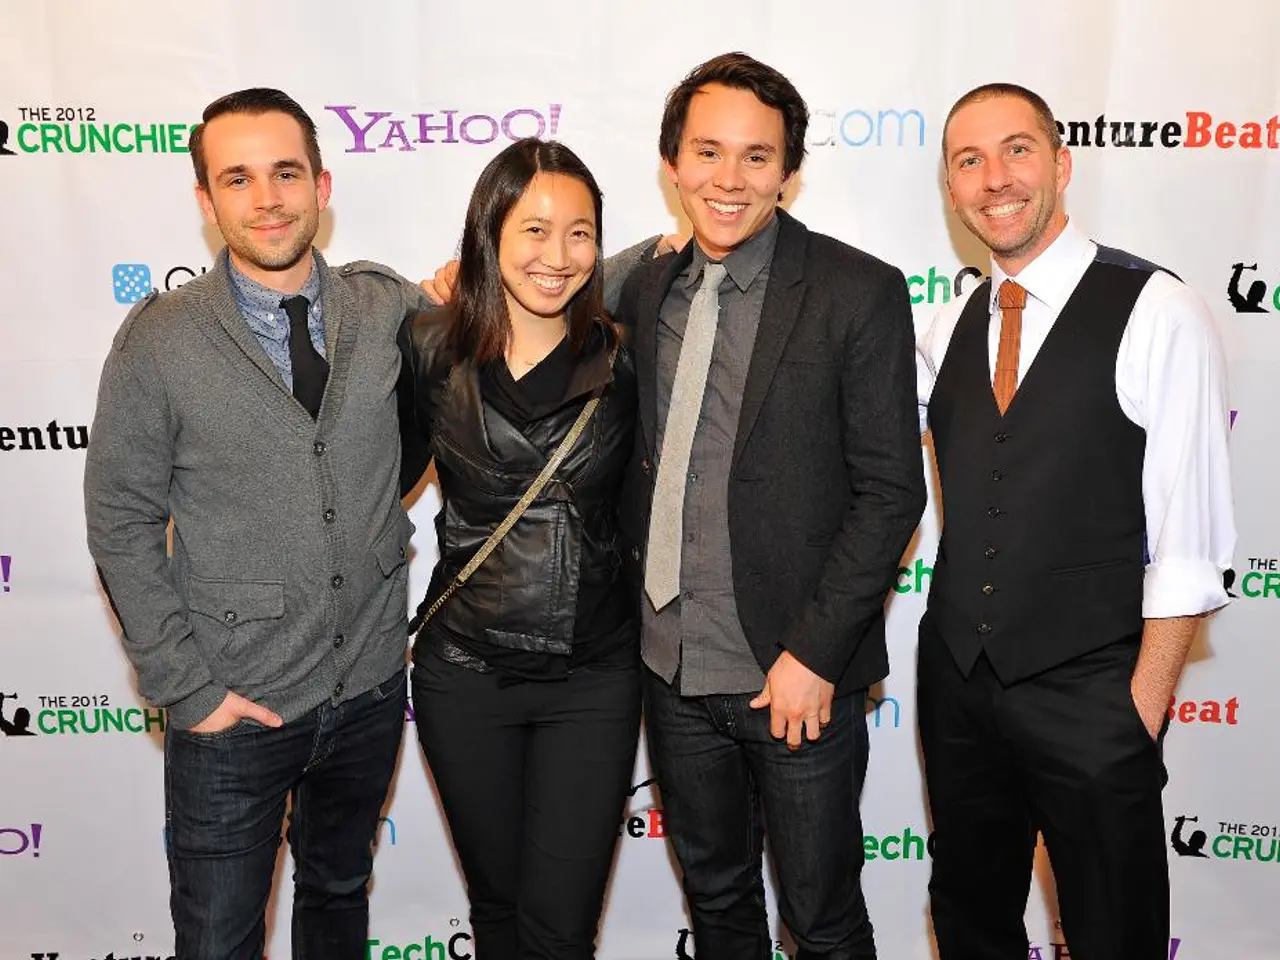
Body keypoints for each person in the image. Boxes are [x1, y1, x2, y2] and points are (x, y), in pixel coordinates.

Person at [423, 54, 924, 960]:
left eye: (756, 156)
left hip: (793, 675)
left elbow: (893, 492)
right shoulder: (643, 288)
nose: (729, 179)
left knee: (822, 921)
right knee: (719, 903)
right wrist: (459, 278)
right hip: (668, 669)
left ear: (788, 169)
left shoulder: (858, 291)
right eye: (708, 152)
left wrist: (817, 653)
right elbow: (534, 278)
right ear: (673, 164)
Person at [84, 88, 429, 960]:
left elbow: (515, 303)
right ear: (207, 201)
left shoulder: (385, 307)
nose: (267, 199)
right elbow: (120, 517)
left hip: (369, 689)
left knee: (338, 899)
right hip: (233, 707)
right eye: (238, 179)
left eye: (285, 173)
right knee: (217, 940)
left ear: (322, 185)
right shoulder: (160, 340)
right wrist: (187, 690)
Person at [916, 83, 1235, 960]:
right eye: (969, 160)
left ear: (1061, 164)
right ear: (951, 188)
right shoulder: (946, 324)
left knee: (1112, 930)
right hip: (959, 683)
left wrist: (1136, 716)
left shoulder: (1157, 308)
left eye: (1016, 150)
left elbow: (1191, 541)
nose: (995, 178)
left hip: (1095, 689)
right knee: (970, 921)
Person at [399, 138, 640, 959]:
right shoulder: (429, 347)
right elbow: (378, 485)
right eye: (533, 230)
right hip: (465, 673)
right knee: (497, 911)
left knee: (561, 930)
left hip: (593, 674)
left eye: (580, 233)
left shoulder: (627, 356)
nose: (557, 255)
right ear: (489, 232)